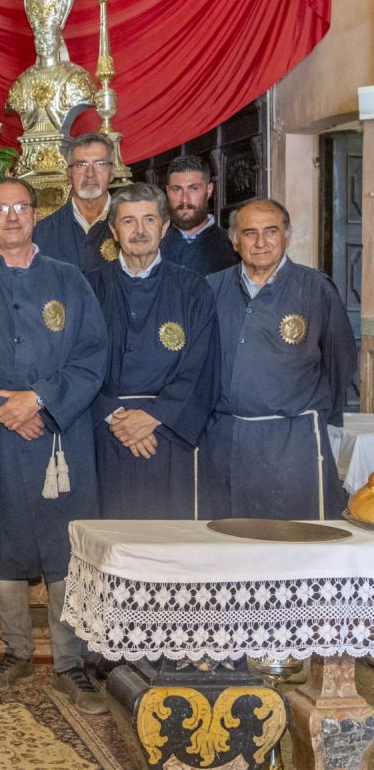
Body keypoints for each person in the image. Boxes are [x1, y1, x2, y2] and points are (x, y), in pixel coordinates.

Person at [0, 178, 108, 715]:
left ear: (35, 215)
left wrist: (41, 400)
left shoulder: (70, 281)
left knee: (64, 548)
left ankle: (71, 664)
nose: (10, 217)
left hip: (60, 436)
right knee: (2, 543)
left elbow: (92, 358)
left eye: (20, 208)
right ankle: (16, 652)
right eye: (0, 209)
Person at [203, 198, 357, 520]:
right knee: (227, 546)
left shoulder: (316, 288)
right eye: (250, 233)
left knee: (297, 547)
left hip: (294, 444)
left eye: (271, 231)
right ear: (234, 240)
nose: (261, 242)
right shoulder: (210, 289)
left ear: (286, 235)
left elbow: (339, 362)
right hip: (226, 442)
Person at [85, 184, 219, 519]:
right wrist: (114, 415)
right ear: (114, 231)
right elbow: (75, 361)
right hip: (105, 434)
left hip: (170, 435)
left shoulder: (193, 288)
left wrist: (154, 416)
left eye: (148, 220)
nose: (140, 230)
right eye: (128, 222)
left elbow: (203, 365)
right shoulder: (88, 286)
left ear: (165, 226)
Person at [32, 132, 118, 271]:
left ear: (112, 172)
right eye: (81, 165)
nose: (90, 174)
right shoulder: (43, 232)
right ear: (69, 173)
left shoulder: (130, 224)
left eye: (100, 164)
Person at [159, 156, 239, 275]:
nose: (184, 200)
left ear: (209, 189)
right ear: (167, 191)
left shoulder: (234, 245)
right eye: (177, 189)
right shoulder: (154, 247)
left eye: (193, 188)